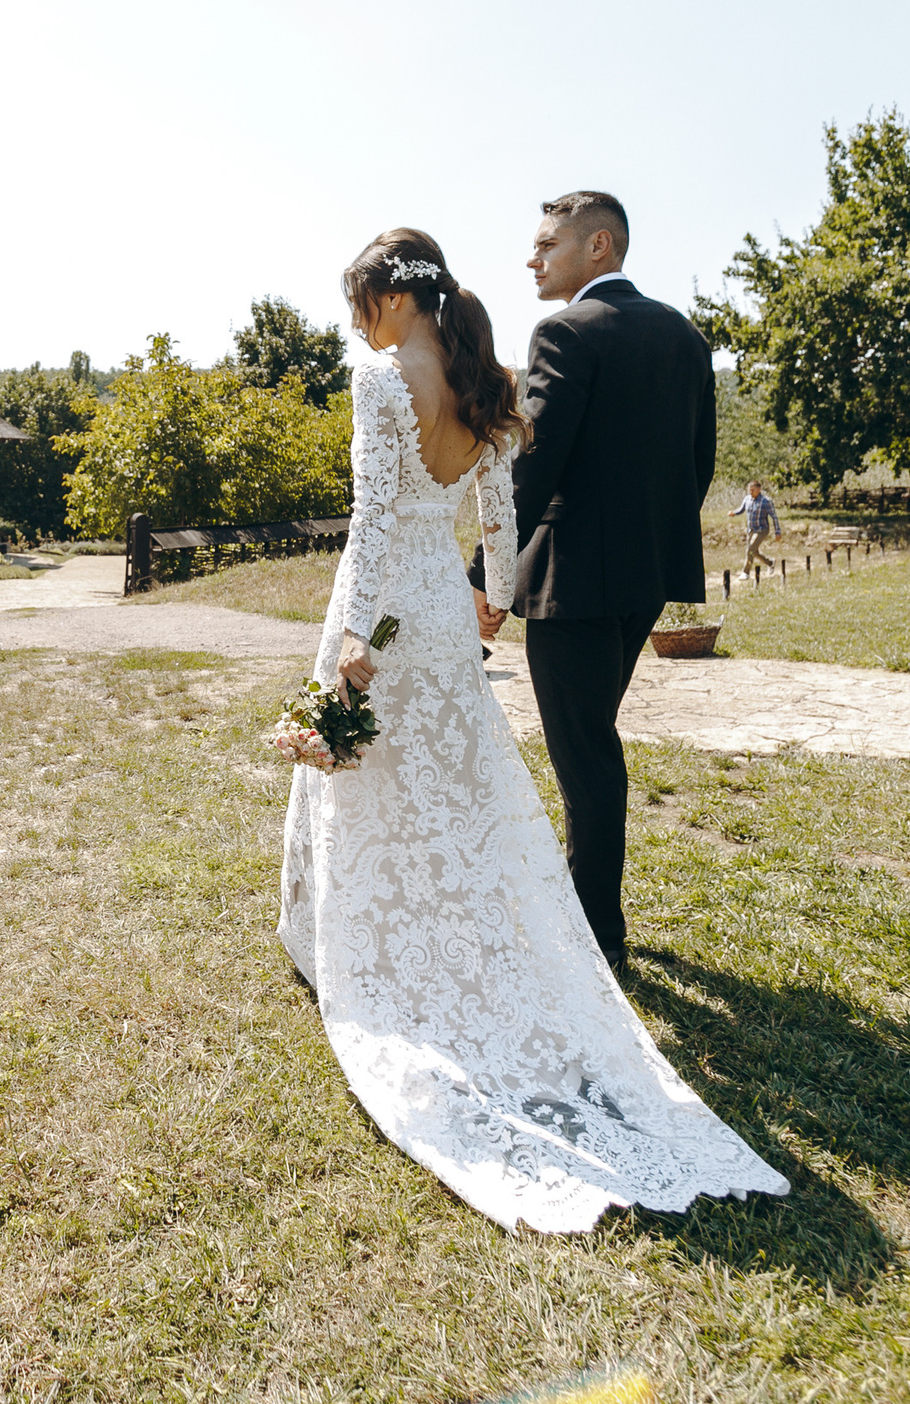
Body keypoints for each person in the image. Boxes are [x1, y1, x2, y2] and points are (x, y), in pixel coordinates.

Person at [279, 225, 785, 1235]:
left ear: (392, 297)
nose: (355, 323)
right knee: (454, 775)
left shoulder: (380, 381)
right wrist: (496, 599)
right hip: (442, 601)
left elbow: (372, 518)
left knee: (370, 764)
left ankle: (358, 939)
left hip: (385, 601)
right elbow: (498, 509)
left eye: (358, 302)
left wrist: (356, 634)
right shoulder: (485, 379)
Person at [467, 192, 712, 968]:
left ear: (599, 245)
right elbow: (698, 461)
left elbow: (534, 466)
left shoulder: (565, 331)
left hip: (572, 580)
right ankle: (590, 920)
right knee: (591, 742)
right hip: (646, 577)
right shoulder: (684, 334)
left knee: (586, 757)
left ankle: (596, 937)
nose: (532, 259)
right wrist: (651, 542)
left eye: (547, 244)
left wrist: (485, 575)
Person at [730, 479, 780, 573]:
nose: (751, 492)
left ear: (759, 489)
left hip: (762, 529)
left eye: (753, 490)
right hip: (751, 530)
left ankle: (745, 572)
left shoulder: (766, 501)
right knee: (754, 552)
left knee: (750, 549)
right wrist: (734, 513)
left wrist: (777, 531)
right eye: (749, 490)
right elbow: (741, 509)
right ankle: (770, 562)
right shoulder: (747, 499)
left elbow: (774, 517)